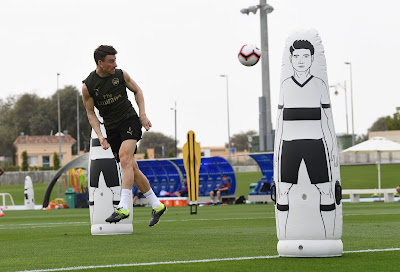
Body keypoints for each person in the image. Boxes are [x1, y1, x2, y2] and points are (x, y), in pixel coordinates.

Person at [82, 45, 166, 226]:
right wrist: (100, 135)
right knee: (132, 168)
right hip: (111, 129)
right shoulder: (88, 86)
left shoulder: (120, 75)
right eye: (111, 61)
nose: (115, 64)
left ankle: (123, 206)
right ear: (100, 63)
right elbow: (91, 114)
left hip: (129, 121)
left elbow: (138, 91)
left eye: (115, 60)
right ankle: (157, 204)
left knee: (125, 158)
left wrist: (142, 115)